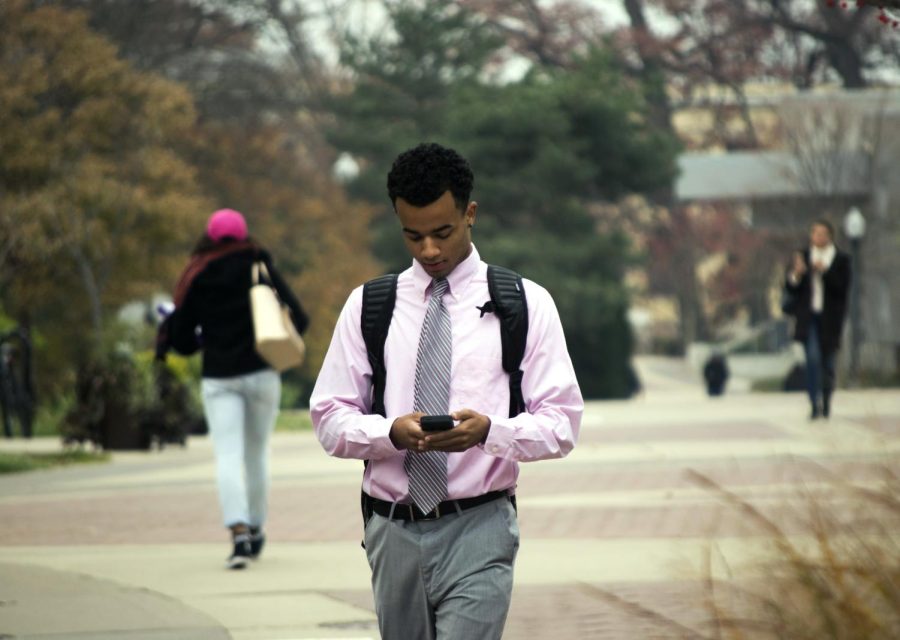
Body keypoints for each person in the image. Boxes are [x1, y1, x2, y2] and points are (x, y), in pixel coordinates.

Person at [310, 142, 583, 640]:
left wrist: (490, 433)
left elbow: (562, 422)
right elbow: (329, 416)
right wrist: (390, 432)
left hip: (480, 524)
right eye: (413, 236)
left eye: (443, 232)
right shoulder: (369, 306)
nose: (429, 251)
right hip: (391, 530)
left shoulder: (525, 303)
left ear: (470, 214)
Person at [157, 208, 309, 569]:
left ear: (210, 237)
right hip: (261, 372)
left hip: (219, 377)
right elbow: (300, 319)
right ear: (242, 236)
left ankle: (238, 534)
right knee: (256, 455)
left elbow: (179, 338)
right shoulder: (259, 265)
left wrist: (202, 339)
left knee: (227, 455)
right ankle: (257, 528)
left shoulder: (197, 273)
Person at [783, 219, 851, 420]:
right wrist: (796, 274)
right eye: (815, 233)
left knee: (828, 363)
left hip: (830, 320)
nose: (818, 237)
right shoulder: (803, 256)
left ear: (830, 236)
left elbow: (842, 288)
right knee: (812, 359)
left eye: (822, 233)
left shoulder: (841, 259)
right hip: (808, 317)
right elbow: (790, 288)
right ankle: (814, 403)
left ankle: (827, 400)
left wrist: (824, 271)